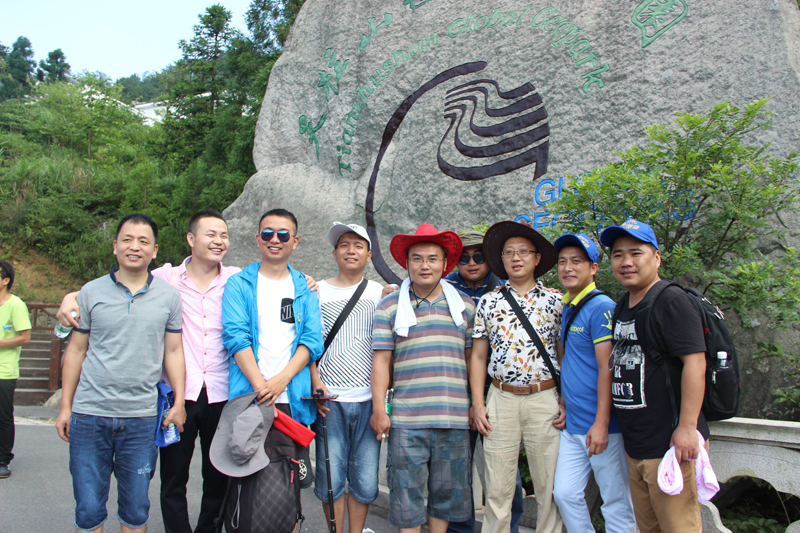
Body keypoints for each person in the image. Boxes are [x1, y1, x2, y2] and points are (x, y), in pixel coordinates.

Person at [57, 209, 237, 533]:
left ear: (154, 250)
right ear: (191, 238)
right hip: (153, 399)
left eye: (223, 235)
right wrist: (71, 297)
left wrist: (309, 283)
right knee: (167, 480)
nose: (218, 240)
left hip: (211, 395)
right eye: (210, 234)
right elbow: (82, 338)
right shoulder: (168, 279)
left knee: (214, 479)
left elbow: (272, 279)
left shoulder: (234, 280)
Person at [599, 219, 709, 533]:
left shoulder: (671, 301)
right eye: (618, 255)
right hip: (636, 444)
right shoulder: (624, 304)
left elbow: (695, 364)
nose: (626, 262)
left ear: (657, 258)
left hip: (670, 444)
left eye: (636, 253)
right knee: (648, 528)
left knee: (679, 527)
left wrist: (687, 427)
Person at [370, 224, 475, 533]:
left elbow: (473, 361)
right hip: (407, 419)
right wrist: (379, 410)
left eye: (432, 258)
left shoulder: (466, 307)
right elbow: (381, 362)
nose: (424, 265)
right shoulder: (389, 306)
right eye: (417, 258)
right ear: (407, 263)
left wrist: (475, 405)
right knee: (406, 495)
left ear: (445, 263)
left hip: (454, 418)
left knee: (446, 496)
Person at [471, 220, 564, 533]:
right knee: (497, 488)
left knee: (549, 485)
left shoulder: (556, 302)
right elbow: (478, 356)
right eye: (509, 252)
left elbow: (563, 354)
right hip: (501, 398)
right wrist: (478, 404)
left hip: (544, 398)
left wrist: (565, 399)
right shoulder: (489, 302)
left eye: (523, 251)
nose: (516, 257)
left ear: (537, 258)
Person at [221, 208, 323, 490]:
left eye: (283, 234)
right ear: (258, 239)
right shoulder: (239, 284)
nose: (274, 239)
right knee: (249, 484)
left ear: (295, 241)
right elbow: (236, 338)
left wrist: (281, 381)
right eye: (267, 233)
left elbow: (312, 341)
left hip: (293, 399)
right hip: (250, 398)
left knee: (290, 487)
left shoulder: (304, 287)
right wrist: (262, 389)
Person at [551, 233, 636, 533]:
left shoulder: (601, 307)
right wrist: (564, 400)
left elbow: (606, 368)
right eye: (562, 262)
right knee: (564, 494)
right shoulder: (569, 305)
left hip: (603, 428)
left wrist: (602, 423)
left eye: (576, 261)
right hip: (574, 424)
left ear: (594, 268)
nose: (567, 268)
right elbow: (571, 361)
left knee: (616, 501)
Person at [443, 230, 524, 533]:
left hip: (499, 389)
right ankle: (459, 529)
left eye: (478, 255)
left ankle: (509, 527)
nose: (472, 262)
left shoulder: (507, 288)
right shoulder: (443, 287)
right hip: (455, 388)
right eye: (463, 258)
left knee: (505, 468)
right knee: (456, 467)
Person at [309, 222, 386, 533]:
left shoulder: (380, 293)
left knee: (365, 478)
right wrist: (315, 381)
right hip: (330, 400)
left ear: (369, 255)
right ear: (334, 253)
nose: (350, 251)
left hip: (369, 400)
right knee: (331, 479)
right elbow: (308, 343)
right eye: (344, 245)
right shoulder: (316, 291)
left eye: (358, 245)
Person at [0, 260, 32, 480]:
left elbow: (25, 337)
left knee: (3, 416)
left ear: (5, 280)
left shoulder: (16, 305)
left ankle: (2, 460)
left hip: (4, 370)